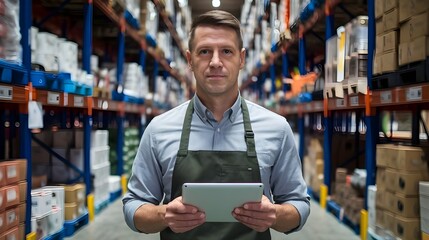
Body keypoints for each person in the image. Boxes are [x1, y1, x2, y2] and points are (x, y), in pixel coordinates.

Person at [123, 10, 310, 239]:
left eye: (226, 51)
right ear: (190, 60)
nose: (215, 62)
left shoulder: (276, 129)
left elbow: (299, 204)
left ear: (241, 59)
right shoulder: (159, 130)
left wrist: (275, 215)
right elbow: (134, 206)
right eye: (204, 52)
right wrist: (164, 216)